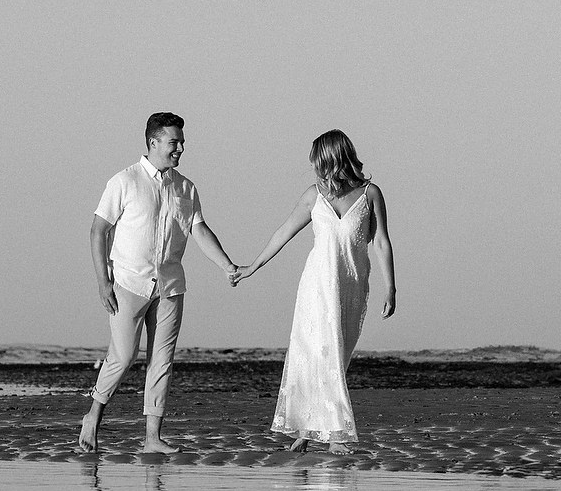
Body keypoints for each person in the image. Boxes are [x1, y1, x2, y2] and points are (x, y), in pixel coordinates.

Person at [80, 112, 239, 454]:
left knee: (162, 361)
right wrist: (102, 282)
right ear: (153, 142)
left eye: (181, 142)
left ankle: (152, 438)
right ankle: (93, 415)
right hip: (127, 283)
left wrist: (226, 265)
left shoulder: (186, 187)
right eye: (174, 142)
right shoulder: (124, 181)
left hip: (170, 287)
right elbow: (98, 230)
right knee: (122, 358)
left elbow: (198, 228)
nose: (180, 147)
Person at [233, 130, 397, 453]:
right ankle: (332, 433)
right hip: (316, 287)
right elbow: (283, 232)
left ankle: (310, 429)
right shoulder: (313, 196)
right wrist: (253, 266)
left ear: (334, 160)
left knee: (337, 356)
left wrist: (391, 286)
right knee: (314, 356)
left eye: (318, 163)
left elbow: (380, 241)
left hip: (350, 286)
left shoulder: (370, 194)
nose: (314, 169)